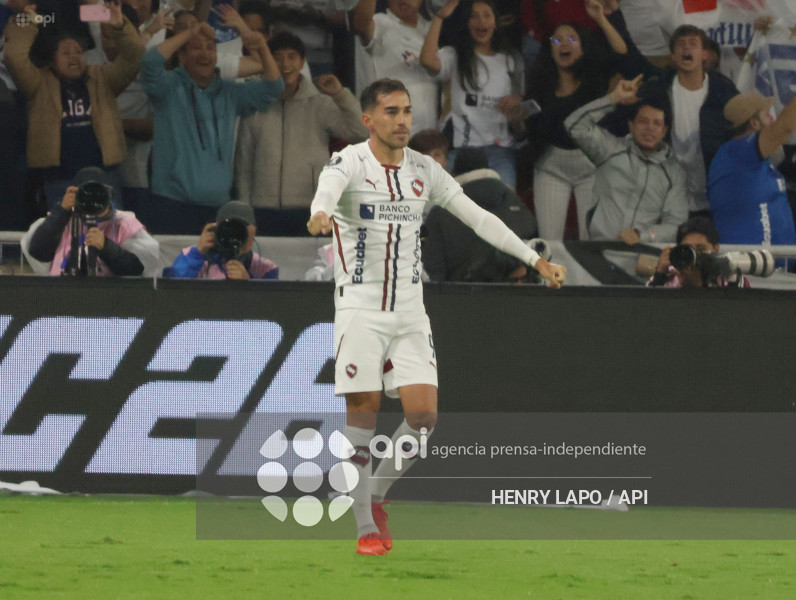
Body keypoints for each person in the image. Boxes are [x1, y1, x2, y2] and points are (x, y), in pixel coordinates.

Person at [306, 78, 566, 556]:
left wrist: (534, 260)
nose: (402, 120)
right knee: (362, 413)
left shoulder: (424, 170)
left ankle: (377, 495)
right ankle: (364, 525)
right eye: (391, 111)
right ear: (368, 120)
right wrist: (321, 214)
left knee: (423, 418)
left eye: (407, 111)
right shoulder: (348, 162)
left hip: (410, 308)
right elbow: (326, 192)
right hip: (360, 308)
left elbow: (479, 218)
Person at [138, 17, 283, 234]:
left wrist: (261, 46)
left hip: (218, 207)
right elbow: (150, 61)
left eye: (210, 48)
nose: (205, 54)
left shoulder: (230, 92)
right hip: (171, 205)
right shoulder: (167, 87)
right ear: (182, 55)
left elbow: (274, 87)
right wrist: (191, 31)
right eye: (196, 48)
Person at [3, 1, 143, 210]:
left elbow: (135, 57)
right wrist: (28, 20)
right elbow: (13, 57)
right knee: (63, 240)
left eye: (78, 52)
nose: (74, 57)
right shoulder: (38, 84)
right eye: (66, 53)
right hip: (59, 180)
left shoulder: (102, 79)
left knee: (110, 239)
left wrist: (120, 25)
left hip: (105, 177)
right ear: (52, 59)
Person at [234, 31, 367, 236]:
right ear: (267, 61)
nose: (285, 64)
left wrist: (340, 94)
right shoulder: (256, 104)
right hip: (262, 209)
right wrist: (244, 210)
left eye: (291, 57)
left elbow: (360, 132)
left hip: (311, 207)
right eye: (277, 58)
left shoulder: (320, 103)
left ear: (302, 61)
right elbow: (244, 163)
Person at [525, 0, 632, 241]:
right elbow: (528, 131)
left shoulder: (595, 78)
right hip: (551, 167)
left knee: (591, 242)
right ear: (550, 49)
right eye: (557, 39)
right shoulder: (539, 84)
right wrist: (517, 119)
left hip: (590, 168)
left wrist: (602, 19)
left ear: (583, 48)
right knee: (549, 243)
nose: (563, 43)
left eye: (571, 39)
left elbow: (621, 53)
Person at [626, 24, 739, 216]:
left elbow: (738, 136)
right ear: (672, 56)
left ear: (705, 54)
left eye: (693, 43)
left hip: (712, 192)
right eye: (680, 44)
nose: (686, 48)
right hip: (668, 192)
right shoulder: (657, 89)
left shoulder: (724, 90)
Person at [565, 76, 688, 244]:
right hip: (599, 250)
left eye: (657, 123)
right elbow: (574, 125)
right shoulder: (610, 149)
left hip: (643, 257)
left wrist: (642, 235)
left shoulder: (674, 172)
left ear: (665, 130)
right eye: (643, 121)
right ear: (631, 125)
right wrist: (613, 99)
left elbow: (676, 225)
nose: (649, 128)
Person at [420, 0, 525, 189]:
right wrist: (439, 17)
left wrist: (518, 102)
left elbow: (521, 103)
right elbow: (427, 60)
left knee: (504, 209)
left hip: (501, 150)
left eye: (486, 16)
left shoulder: (511, 59)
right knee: (452, 208)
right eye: (474, 16)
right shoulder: (453, 55)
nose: (481, 22)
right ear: (466, 23)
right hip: (462, 149)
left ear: (495, 22)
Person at [423, 146, 537, 281]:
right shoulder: (513, 200)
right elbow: (533, 238)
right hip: (518, 295)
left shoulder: (439, 211)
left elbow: (434, 272)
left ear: (454, 173)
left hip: (461, 297)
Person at [21, 166, 161, 277]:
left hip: (111, 300)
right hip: (61, 297)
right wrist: (62, 211)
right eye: (86, 195)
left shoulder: (124, 223)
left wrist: (107, 247)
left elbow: (139, 269)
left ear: (109, 195)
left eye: (98, 195)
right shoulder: (60, 219)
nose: (92, 201)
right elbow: (38, 252)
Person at [707, 92, 796, 247]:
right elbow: (785, 127)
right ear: (754, 122)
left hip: (777, 266)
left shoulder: (757, 160)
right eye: (767, 114)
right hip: (747, 267)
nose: (772, 120)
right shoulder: (737, 152)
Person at [352, 0, 439, 133]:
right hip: (390, 134)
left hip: (428, 134)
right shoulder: (381, 22)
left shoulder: (430, 28)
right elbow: (362, 23)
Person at [167, 200, 279, 279]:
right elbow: (173, 290)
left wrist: (248, 283)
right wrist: (198, 252)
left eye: (240, 229)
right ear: (216, 229)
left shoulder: (265, 268)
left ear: (253, 231)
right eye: (229, 229)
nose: (234, 235)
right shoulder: (191, 256)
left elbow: (272, 307)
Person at [647, 217, 750, 288]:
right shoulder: (668, 277)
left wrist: (698, 286)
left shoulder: (730, 278)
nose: (695, 255)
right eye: (688, 249)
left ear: (716, 249)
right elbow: (646, 311)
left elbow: (735, 314)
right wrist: (659, 275)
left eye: (701, 249)